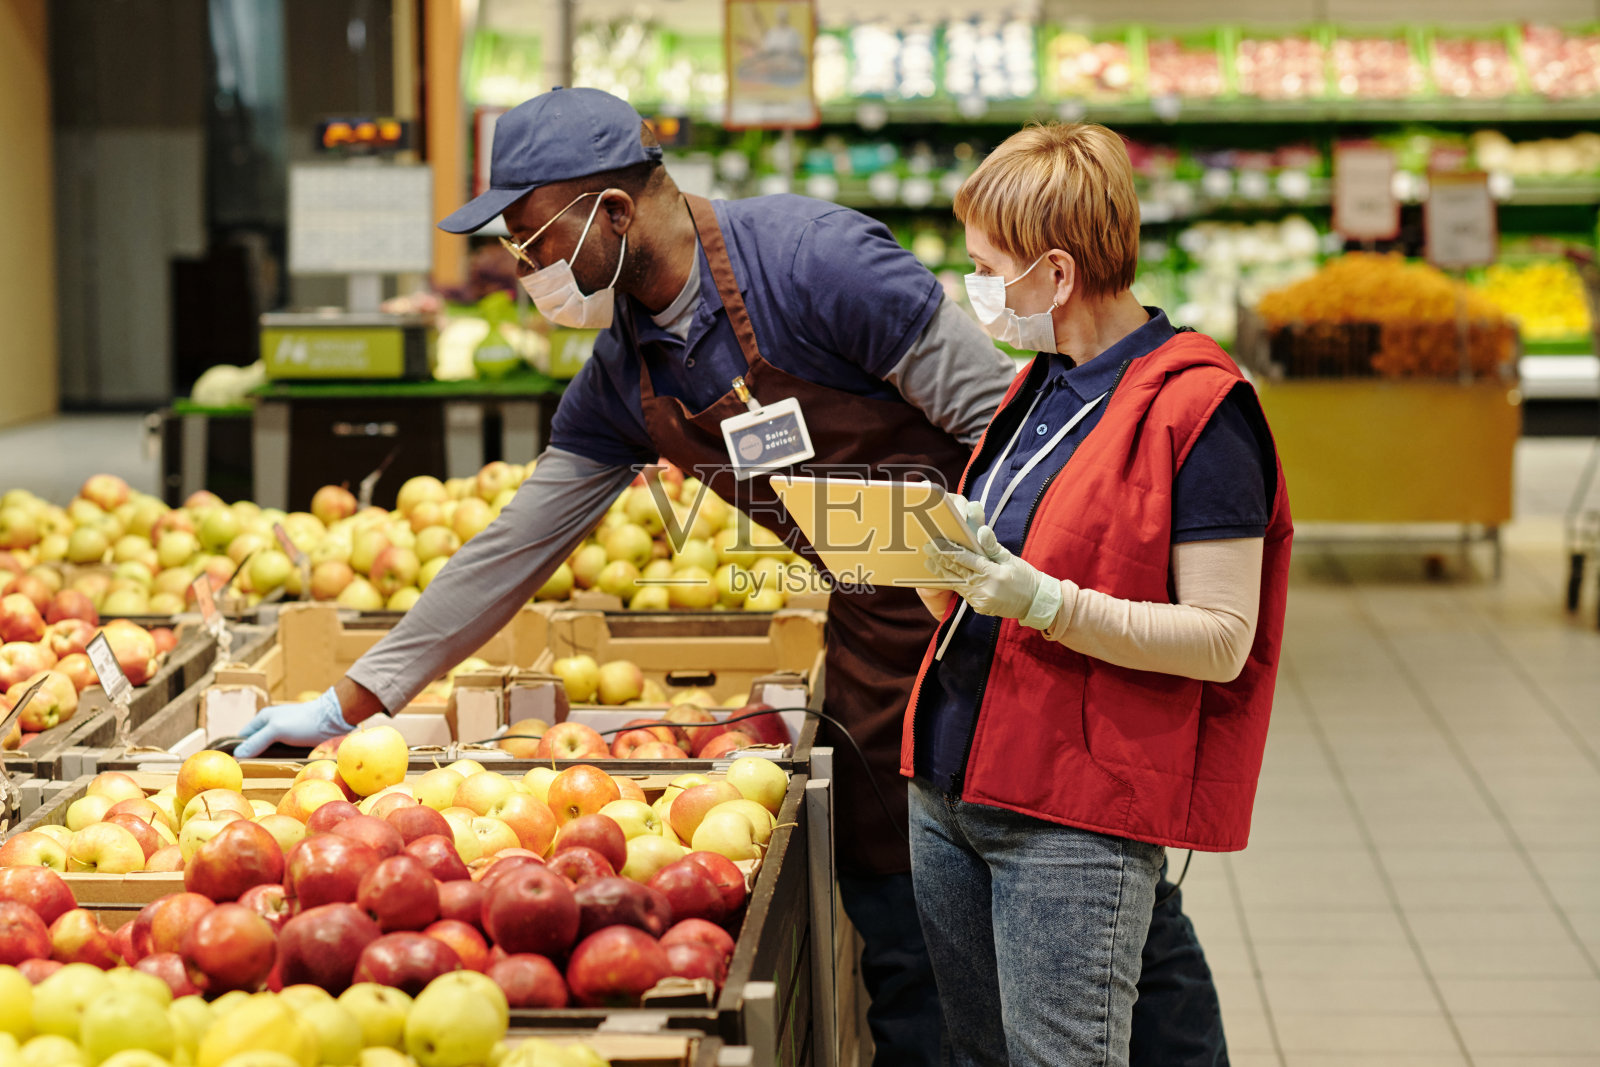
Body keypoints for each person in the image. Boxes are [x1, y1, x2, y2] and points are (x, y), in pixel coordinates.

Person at [234, 88, 1234, 1065]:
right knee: (905, 937)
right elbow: (513, 546)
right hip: (880, 643)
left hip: (1011, 619)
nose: (524, 267)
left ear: (612, 213)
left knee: (1111, 909)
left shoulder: (818, 264)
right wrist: (351, 699)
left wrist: (1039, 600)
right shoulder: (628, 372)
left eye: (533, 241)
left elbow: (1011, 427)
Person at [905, 123, 1292, 1067]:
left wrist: (1045, 601)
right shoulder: (1039, 386)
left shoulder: (1200, 410)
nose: (973, 288)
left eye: (985, 269)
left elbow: (1221, 637)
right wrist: (937, 568)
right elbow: (1000, 573)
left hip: (1072, 809)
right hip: (952, 780)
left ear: (1057, 273)